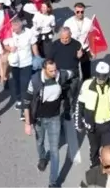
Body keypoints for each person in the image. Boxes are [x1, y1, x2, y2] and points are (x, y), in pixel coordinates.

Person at [23, 60, 74, 188]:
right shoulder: (35, 81)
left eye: (55, 70)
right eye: (51, 71)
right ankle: (42, 158)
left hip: (54, 118)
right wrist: (28, 124)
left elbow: (71, 73)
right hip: (39, 119)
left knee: (54, 150)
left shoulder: (60, 75)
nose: (54, 72)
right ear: (44, 70)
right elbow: (26, 102)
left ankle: (53, 182)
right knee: (39, 142)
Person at [75, 61, 110, 168]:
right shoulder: (87, 85)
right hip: (92, 125)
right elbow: (80, 104)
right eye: (99, 77)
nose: (101, 80)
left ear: (107, 75)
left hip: (108, 124)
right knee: (94, 148)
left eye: (103, 78)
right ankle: (94, 168)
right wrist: (78, 122)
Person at [3, 19, 39, 120]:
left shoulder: (28, 32)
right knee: (16, 83)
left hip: (26, 63)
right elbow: (5, 44)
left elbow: (33, 44)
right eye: (12, 27)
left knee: (25, 85)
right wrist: (10, 49)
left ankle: (24, 110)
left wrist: (37, 57)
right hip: (14, 63)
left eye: (15, 28)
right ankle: (19, 99)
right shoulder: (10, 32)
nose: (13, 29)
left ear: (20, 26)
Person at [46, 27, 84, 121]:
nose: (65, 40)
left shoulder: (77, 44)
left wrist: (80, 56)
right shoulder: (55, 45)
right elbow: (49, 60)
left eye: (67, 38)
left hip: (73, 74)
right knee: (57, 95)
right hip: (59, 74)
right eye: (63, 38)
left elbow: (81, 59)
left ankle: (67, 111)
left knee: (70, 95)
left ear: (70, 35)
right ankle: (56, 113)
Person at [64, 3, 93, 80]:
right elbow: (64, 37)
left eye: (82, 12)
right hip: (73, 49)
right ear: (74, 11)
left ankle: (86, 86)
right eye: (78, 12)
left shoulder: (89, 22)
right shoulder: (68, 23)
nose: (80, 13)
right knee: (73, 71)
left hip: (85, 49)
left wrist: (92, 50)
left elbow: (92, 36)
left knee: (86, 71)